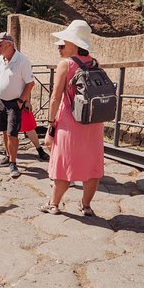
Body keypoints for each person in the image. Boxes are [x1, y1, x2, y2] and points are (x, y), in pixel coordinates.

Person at [40, 20, 104, 216]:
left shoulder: (65, 65)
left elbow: (55, 98)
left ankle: (54, 204)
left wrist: (50, 125)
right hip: (93, 122)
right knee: (92, 165)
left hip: (70, 121)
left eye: (63, 43)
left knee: (63, 163)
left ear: (74, 43)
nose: (60, 47)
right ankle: (86, 205)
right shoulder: (94, 62)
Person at [0, 32, 35, 178]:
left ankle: (13, 163)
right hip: (1, 102)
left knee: (12, 133)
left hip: (15, 103)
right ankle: (8, 155)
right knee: (3, 130)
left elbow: (30, 82)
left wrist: (21, 101)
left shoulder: (22, 60)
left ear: (9, 44)